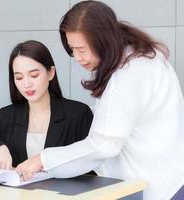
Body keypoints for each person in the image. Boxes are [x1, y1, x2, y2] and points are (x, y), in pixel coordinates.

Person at [15, 1, 184, 200]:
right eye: (72, 49)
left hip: (159, 186)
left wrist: (42, 160)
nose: (77, 57)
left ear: (103, 40)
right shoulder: (141, 58)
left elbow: (105, 144)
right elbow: (117, 115)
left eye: (82, 49)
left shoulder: (132, 72)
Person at [0, 40, 95, 175]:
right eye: (19, 77)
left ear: (51, 73)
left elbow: (93, 165)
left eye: (34, 75)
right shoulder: (7, 115)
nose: (27, 84)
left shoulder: (78, 114)